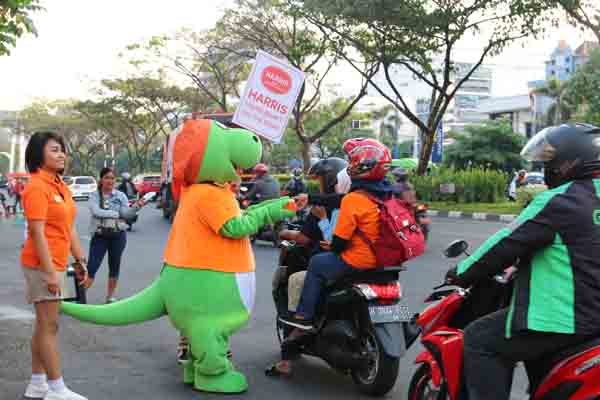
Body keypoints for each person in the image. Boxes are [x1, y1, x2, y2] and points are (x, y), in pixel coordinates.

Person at [446, 123, 600, 400]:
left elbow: (505, 244)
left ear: (570, 163)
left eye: (550, 161)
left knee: (479, 339)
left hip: (565, 319)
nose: (546, 169)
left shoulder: (560, 200)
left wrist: (460, 272)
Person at [270, 138, 392, 376]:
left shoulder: (353, 201)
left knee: (310, 269)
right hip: (384, 263)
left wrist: (327, 236)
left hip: (354, 261)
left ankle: (302, 321)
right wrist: (312, 199)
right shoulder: (386, 194)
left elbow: (336, 243)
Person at [20, 131, 88, 400]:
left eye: (63, 150)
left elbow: (67, 227)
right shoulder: (37, 186)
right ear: (39, 154)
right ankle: (57, 388)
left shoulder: (59, 185)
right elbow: (37, 233)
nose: (62, 155)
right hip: (41, 264)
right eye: (55, 150)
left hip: (58, 262)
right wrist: (49, 272)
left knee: (44, 325)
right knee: (50, 326)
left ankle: (37, 383)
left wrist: (80, 259)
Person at [83, 167, 145, 303]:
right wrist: (117, 214)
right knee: (92, 267)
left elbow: (127, 214)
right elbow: (96, 212)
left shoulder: (120, 196)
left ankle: (109, 297)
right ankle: (80, 297)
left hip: (118, 236)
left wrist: (137, 207)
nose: (110, 181)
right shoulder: (95, 196)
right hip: (99, 236)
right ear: (101, 180)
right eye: (107, 178)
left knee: (114, 266)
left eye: (112, 178)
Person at [278, 158, 348, 253]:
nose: (318, 185)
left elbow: (303, 238)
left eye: (319, 181)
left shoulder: (323, 207)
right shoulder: (349, 202)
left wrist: (283, 233)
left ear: (331, 180)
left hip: (325, 255)